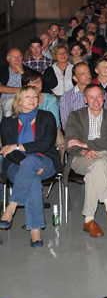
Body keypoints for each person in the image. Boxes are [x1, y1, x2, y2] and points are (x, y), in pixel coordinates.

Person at [0, 87, 62, 248]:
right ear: (19, 100)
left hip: (46, 161)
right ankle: (35, 231)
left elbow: (45, 144)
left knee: (33, 160)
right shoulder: (7, 122)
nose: (33, 99)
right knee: (32, 176)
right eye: (27, 96)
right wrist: (24, 161)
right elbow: (7, 151)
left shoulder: (47, 117)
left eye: (35, 96)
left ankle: (11, 206)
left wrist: (17, 146)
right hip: (17, 164)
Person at [64, 84, 107, 237]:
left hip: (106, 154)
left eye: (99, 96)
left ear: (104, 98)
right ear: (85, 99)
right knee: (97, 166)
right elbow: (70, 143)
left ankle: (89, 219)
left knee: (94, 172)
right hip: (80, 157)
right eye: (91, 97)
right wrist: (83, 150)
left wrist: (86, 144)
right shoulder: (75, 116)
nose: (96, 100)